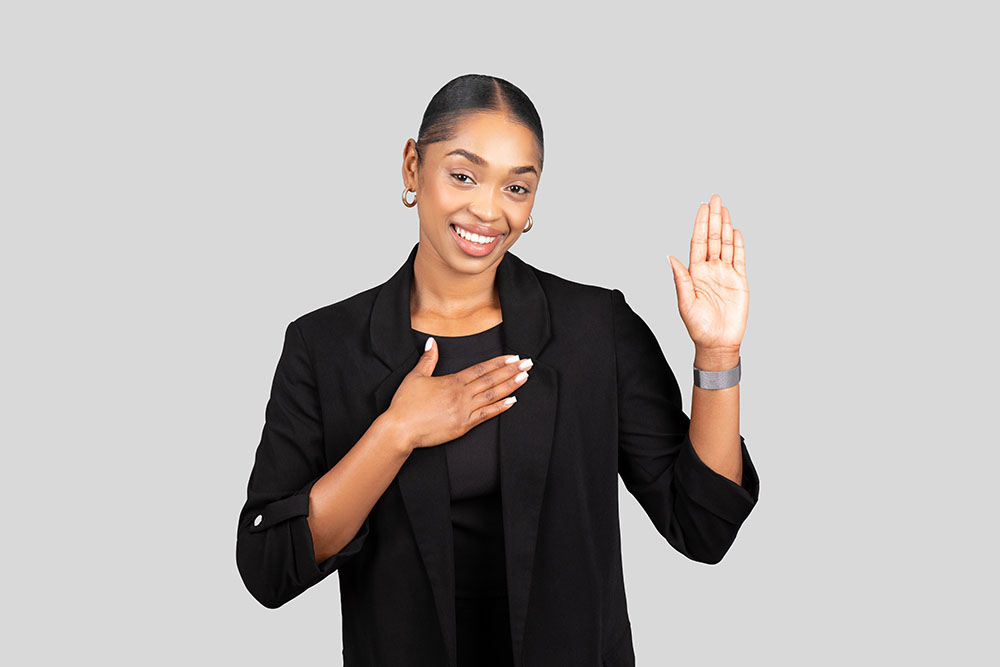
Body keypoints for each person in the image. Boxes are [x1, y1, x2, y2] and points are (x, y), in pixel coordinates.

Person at [236, 73, 760, 667]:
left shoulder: (594, 330)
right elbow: (268, 565)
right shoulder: (324, 346)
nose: (487, 209)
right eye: (463, 175)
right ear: (413, 168)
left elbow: (702, 527)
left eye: (517, 187)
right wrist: (395, 433)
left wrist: (717, 358)